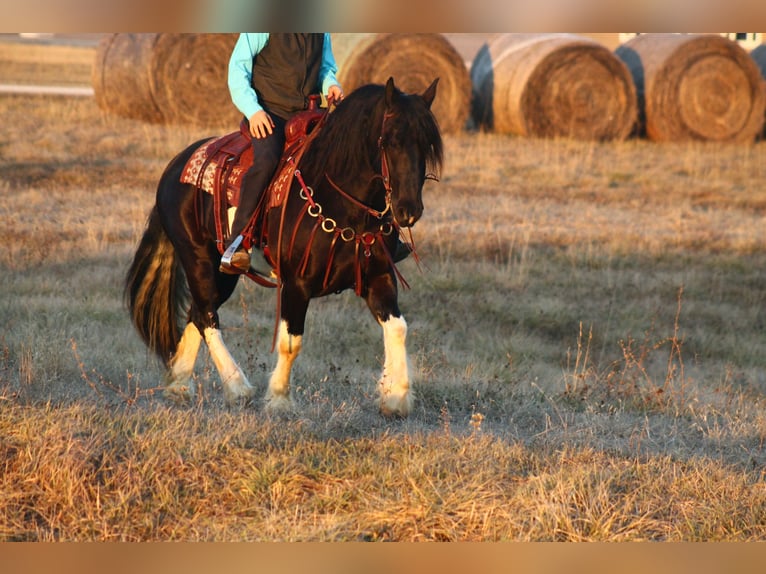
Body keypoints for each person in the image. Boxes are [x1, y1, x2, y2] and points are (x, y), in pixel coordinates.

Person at [221, 33, 344, 275]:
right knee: (266, 162)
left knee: (346, 155)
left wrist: (331, 84)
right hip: (268, 113)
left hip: (308, 114)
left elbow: (326, 69)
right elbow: (237, 70)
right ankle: (237, 242)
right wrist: (253, 111)